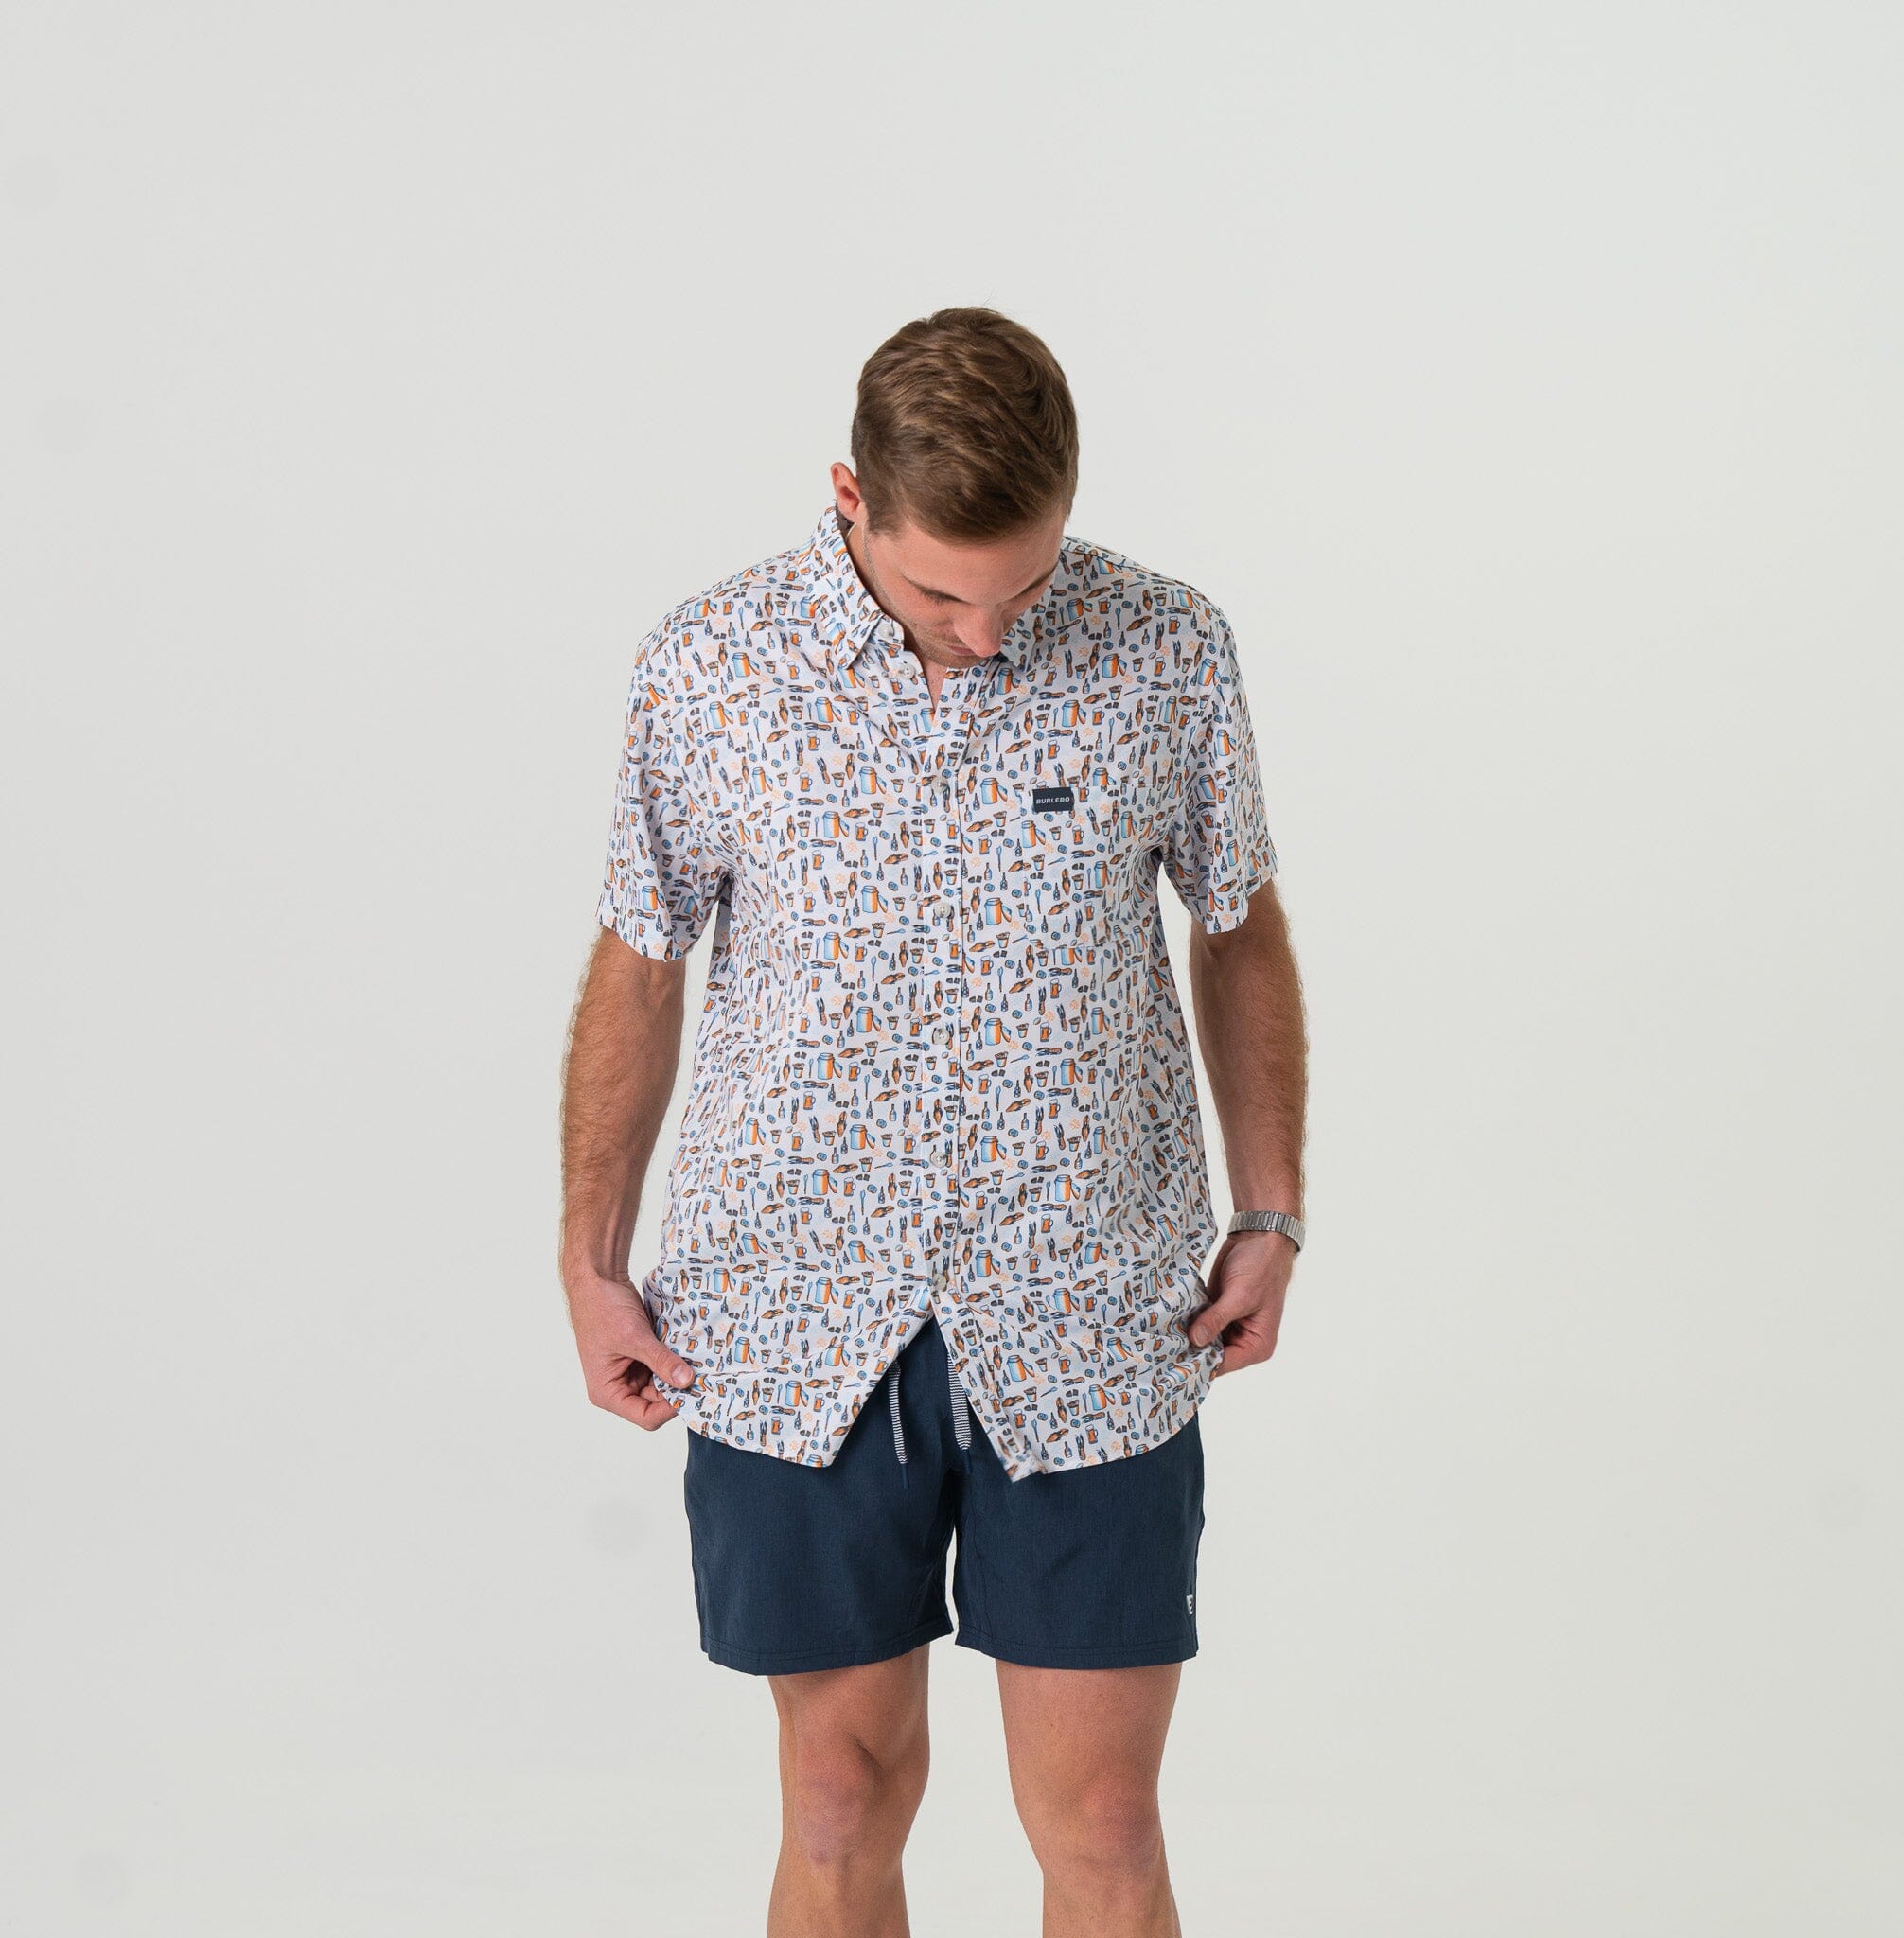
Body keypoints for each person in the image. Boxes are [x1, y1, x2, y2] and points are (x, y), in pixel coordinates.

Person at [557, 305, 1309, 1938]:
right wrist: (590, 1258)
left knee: (1104, 1817)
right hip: (794, 1303)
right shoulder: (708, 664)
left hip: (1090, 1307)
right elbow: (641, 954)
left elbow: (1237, 926)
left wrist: (1271, 1209)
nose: (985, 632)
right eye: (938, 593)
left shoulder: (1168, 647)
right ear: (849, 498)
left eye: (1021, 590)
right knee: (837, 1796)